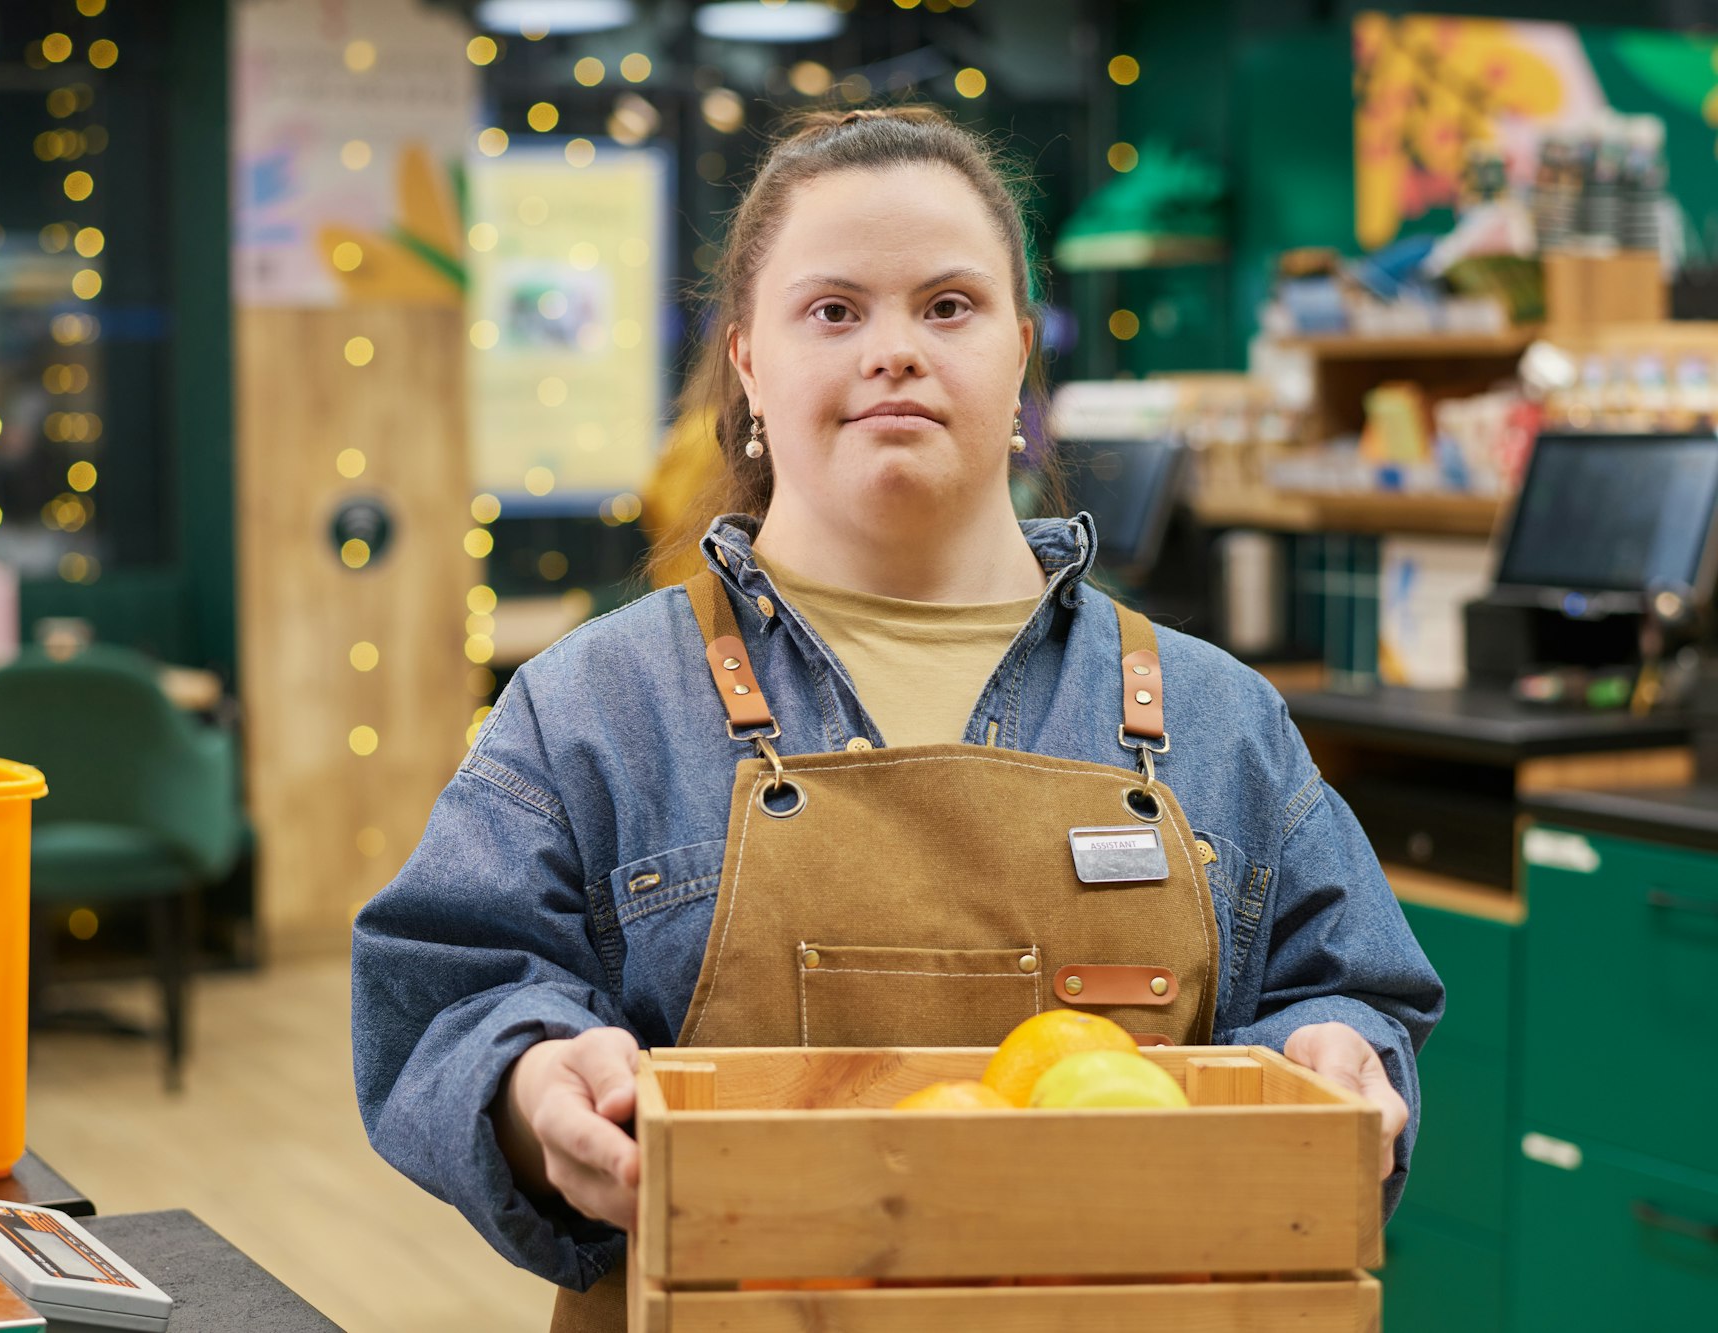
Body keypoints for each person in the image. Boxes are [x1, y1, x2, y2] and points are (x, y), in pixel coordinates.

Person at [352, 105, 1443, 1332]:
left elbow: (1347, 995)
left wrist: (1339, 1056)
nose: (893, 351)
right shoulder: (595, 707)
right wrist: (529, 1078)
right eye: (832, 310)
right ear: (747, 360)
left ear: (1020, 350)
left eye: (948, 306)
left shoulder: (1212, 716)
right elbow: (446, 994)